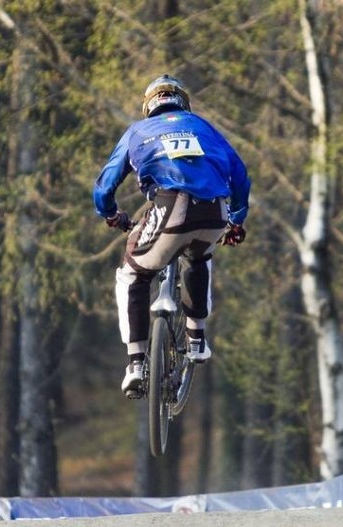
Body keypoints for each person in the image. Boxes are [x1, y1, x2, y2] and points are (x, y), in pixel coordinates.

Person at [93, 74, 251, 397]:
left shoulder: (137, 131)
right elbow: (241, 175)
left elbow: (104, 186)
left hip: (172, 207)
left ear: (149, 106)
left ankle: (136, 364)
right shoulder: (203, 126)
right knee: (200, 254)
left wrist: (110, 214)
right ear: (182, 102)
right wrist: (236, 220)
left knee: (132, 274)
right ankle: (197, 338)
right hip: (215, 210)